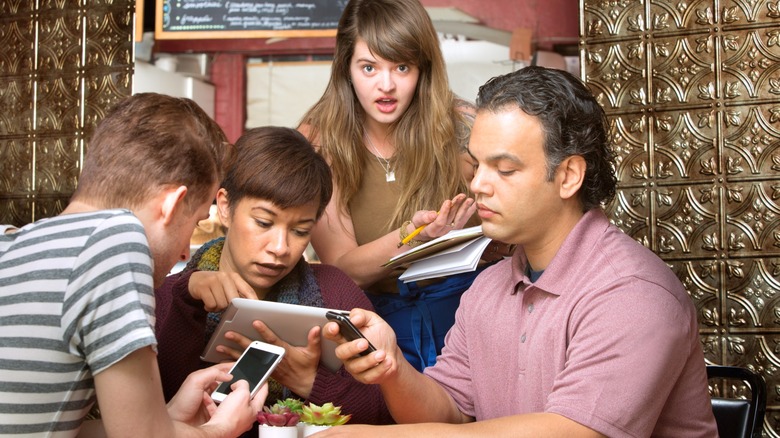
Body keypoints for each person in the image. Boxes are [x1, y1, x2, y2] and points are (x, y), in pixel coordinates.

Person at [317, 67, 719, 437]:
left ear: (568, 176)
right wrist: (392, 369)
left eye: (504, 169)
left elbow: (573, 432)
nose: (478, 184)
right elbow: (447, 411)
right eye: (477, 166)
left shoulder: (632, 294)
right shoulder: (488, 286)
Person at [0, 93, 264, 437]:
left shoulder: (10, 241)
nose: (184, 253)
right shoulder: (115, 240)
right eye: (196, 221)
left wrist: (168, 418)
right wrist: (221, 429)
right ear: (172, 204)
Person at [298, 0, 512, 372]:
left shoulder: (462, 125)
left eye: (402, 67)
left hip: (472, 312)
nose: (386, 85)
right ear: (346, 67)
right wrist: (413, 237)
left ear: (423, 68)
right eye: (369, 67)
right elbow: (343, 268)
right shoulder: (320, 141)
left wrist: (497, 243)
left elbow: (519, 209)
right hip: (375, 324)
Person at [154, 126, 394, 426]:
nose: (280, 248)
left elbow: (387, 414)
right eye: (264, 222)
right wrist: (188, 302)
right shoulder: (167, 295)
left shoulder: (335, 291)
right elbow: (153, 412)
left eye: (300, 231)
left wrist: (309, 380)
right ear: (225, 206)